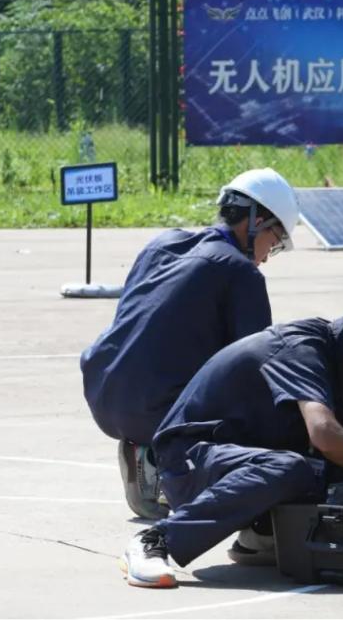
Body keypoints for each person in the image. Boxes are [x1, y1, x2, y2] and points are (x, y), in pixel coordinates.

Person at [119, 263, 343, 588]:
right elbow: (323, 433)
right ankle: (155, 540)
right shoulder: (304, 349)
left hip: (234, 457)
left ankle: (262, 535)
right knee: (300, 464)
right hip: (188, 461)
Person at [81, 168, 300, 520]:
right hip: (154, 410)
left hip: (105, 393)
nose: (266, 256)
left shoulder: (162, 243)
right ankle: (172, 472)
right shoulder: (242, 273)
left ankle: (145, 451)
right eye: (274, 242)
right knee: (258, 409)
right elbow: (256, 366)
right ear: (257, 221)